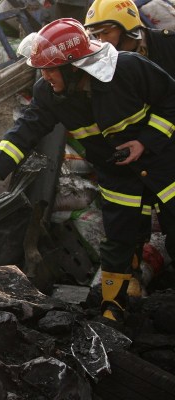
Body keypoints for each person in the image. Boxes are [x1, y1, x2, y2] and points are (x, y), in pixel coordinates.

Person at [0, 18, 175, 323]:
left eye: (50, 69)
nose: (44, 76)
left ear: (75, 67)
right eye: (41, 69)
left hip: (165, 167)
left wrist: (146, 141)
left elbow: (171, 99)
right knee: (119, 240)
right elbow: (23, 132)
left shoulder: (128, 69)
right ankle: (113, 309)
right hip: (119, 177)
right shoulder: (49, 96)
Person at [84, 0, 175, 295]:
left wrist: (148, 141)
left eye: (105, 34)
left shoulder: (168, 47)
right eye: (93, 36)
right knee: (130, 224)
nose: (99, 44)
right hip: (140, 161)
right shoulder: (104, 65)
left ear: (130, 32)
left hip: (167, 151)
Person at [85, 0, 175, 75]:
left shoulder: (169, 43)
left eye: (106, 32)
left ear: (127, 28)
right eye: (96, 35)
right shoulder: (100, 65)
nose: (101, 41)